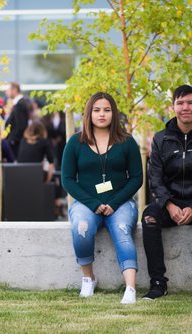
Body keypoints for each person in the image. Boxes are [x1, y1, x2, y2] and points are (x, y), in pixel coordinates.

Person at [141, 85, 192, 300]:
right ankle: (158, 283)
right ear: (173, 108)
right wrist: (169, 205)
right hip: (170, 202)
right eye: (180, 103)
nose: (185, 107)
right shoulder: (161, 138)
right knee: (149, 216)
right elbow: (155, 179)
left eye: (190, 102)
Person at [61, 92, 143, 304]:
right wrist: (94, 204)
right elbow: (68, 180)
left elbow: (136, 178)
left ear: (114, 113)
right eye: (97, 110)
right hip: (87, 203)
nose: (102, 114)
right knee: (81, 227)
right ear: (89, 113)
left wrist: (114, 203)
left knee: (123, 230)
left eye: (107, 110)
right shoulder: (75, 142)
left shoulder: (127, 142)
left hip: (121, 203)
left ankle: (130, 288)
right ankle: (89, 279)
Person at [5, 82, 30, 157]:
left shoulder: (20, 105)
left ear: (14, 90)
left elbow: (21, 126)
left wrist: (12, 140)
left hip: (16, 143)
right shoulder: (18, 104)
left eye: (8, 90)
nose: (6, 92)